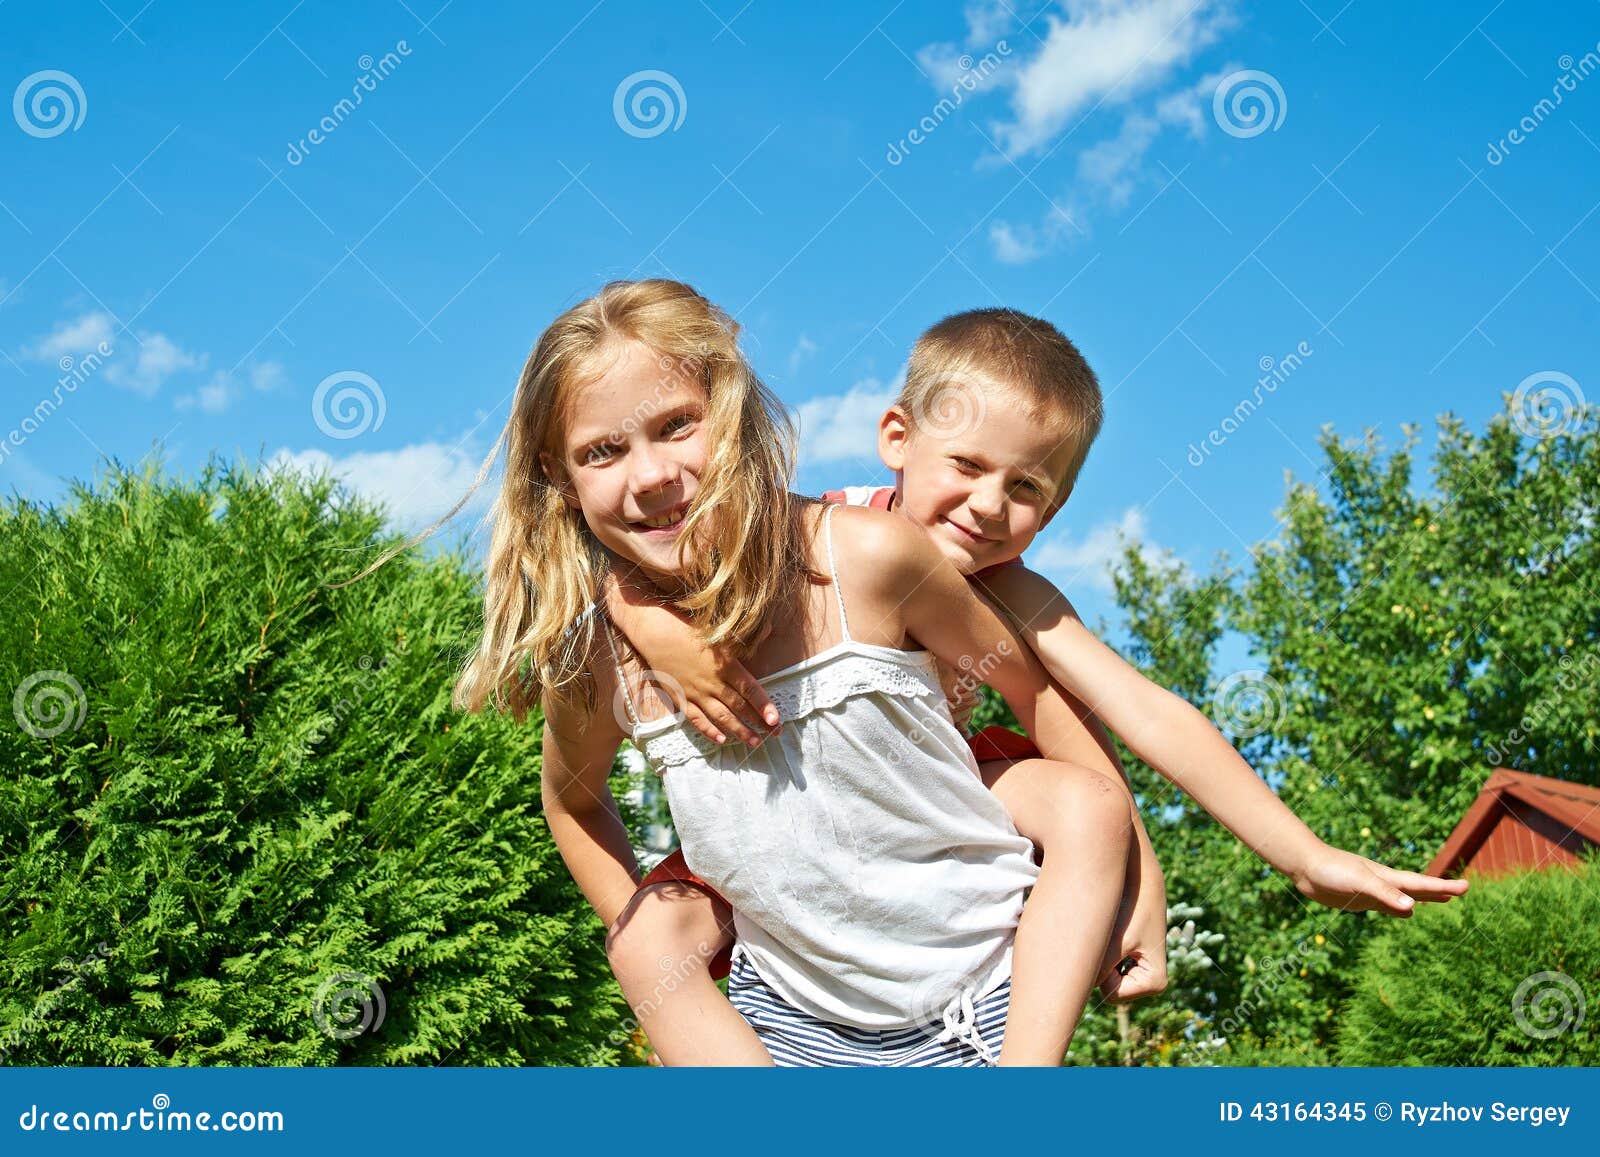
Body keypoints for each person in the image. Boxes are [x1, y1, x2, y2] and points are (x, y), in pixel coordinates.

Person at [590, 299, 1472, 1065]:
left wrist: (1290, 858)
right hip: (799, 802)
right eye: (967, 467)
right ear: (897, 437)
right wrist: (642, 618)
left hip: (952, 796)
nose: (987, 505)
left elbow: (1138, 714)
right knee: (651, 930)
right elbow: (670, 539)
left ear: (1053, 512)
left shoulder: (1016, 594)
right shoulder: (835, 537)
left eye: (1025, 488)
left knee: (1082, 801)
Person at [459, 278, 1150, 1065]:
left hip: (983, 996)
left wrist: (1138, 869)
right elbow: (571, 801)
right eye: (602, 451)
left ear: (733, 413)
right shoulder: (595, 666)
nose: (650, 475)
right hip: (787, 1031)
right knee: (644, 935)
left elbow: (1035, 690)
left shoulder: (867, 557)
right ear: (559, 476)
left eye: (678, 425)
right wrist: (662, 952)